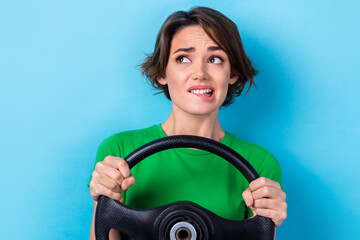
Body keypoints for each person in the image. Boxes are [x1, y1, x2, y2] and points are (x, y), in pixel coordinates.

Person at [89, 6, 287, 240]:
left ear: (232, 73)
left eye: (215, 59)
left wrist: (269, 219)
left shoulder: (258, 164)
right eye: (183, 58)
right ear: (162, 72)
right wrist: (106, 199)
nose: (200, 73)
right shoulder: (119, 152)